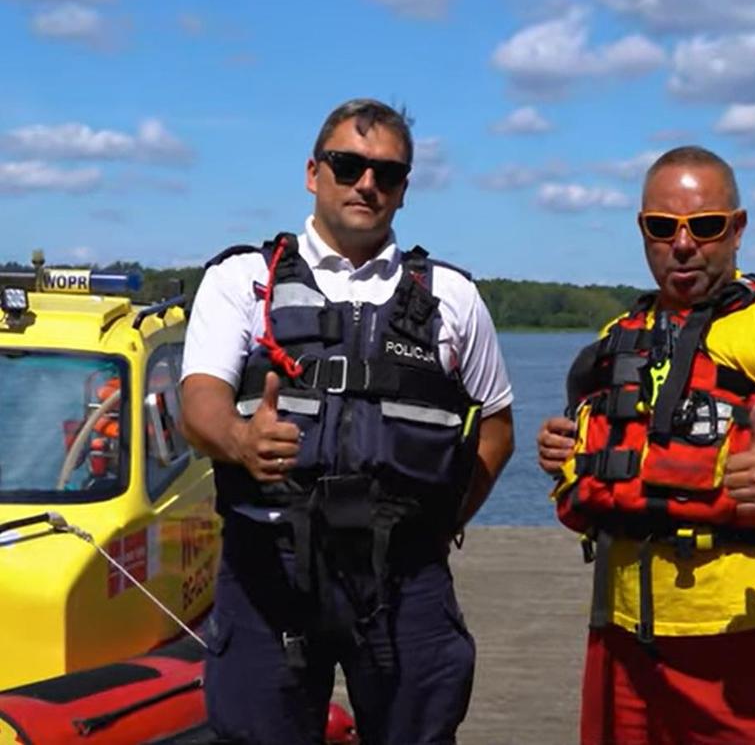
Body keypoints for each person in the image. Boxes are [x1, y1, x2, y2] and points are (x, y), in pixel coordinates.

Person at [181, 98, 514, 745]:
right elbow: (199, 403)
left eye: (387, 174)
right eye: (348, 165)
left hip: (405, 577)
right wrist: (241, 441)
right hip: (269, 568)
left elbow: (495, 424)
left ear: (403, 191)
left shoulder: (451, 297)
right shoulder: (245, 280)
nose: (367, 183)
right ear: (313, 172)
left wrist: (445, 521)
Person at [537, 146, 755, 745]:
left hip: (746, 653)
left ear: (736, 229)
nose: (683, 244)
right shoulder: (618, 338)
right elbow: (603, 457)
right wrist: (563, 451)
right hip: (620, 641)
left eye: (705, 226)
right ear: (643, 231)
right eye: (663, 228)